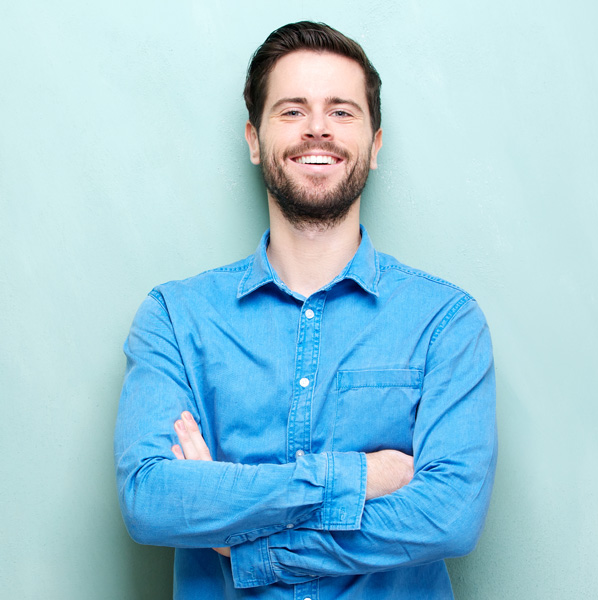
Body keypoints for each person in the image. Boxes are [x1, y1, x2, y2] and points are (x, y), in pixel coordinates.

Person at [114, 21, 497, 600]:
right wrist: (361, 476)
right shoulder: (175, 317)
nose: (318, 128)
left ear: (375, 146)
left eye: (342, 111)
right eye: (292, 111)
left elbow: (449, 516)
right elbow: (150, 499)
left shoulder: (445, 322)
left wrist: (245, 542)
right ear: (253, 140)